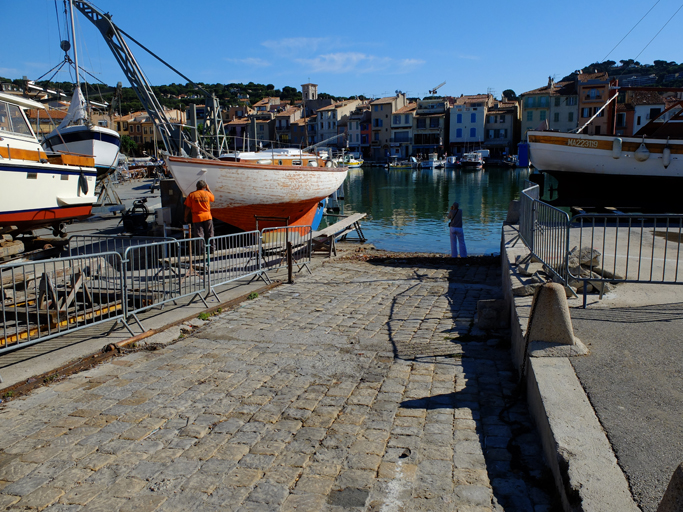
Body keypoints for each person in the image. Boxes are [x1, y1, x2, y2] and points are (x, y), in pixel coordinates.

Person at [184, 180, 215, 245]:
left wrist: (185, 217)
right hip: (207, 216)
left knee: (199, 235)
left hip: (197, 218)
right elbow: (213, 198)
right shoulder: (207, 193)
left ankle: (201, 251)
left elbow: (187, 208)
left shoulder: (191, 195)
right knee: (210, 234)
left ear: (197, 186)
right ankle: (212, 249)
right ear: (204, 187)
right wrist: (208, 189)